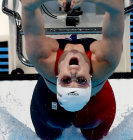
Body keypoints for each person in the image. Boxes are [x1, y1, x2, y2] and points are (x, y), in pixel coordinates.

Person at [21, 0, 124, 139]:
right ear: (90, 79)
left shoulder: (42, 57)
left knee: (48, 133)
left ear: (57, 80)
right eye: (81, 80)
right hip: (96, 111)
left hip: (49, 111)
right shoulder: (106, 60)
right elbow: (117, 7)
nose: (74, 72)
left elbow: (27, 4)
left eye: (66, 80)